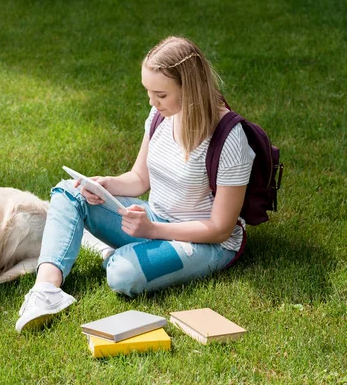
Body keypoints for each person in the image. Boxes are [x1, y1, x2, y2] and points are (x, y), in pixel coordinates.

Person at [15, 36, 255, 333]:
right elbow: (140, 179)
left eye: (161, 95)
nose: (152, 103)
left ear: (190, 88)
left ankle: (109, 250)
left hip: (206, 243)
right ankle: (46, 291)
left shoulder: (231, 138)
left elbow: (220, 227)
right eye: (149, 93)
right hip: (155, 218)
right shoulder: (160, 115)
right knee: (70, 190)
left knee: (123, 275)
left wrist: (153, 231)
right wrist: (106, 185)